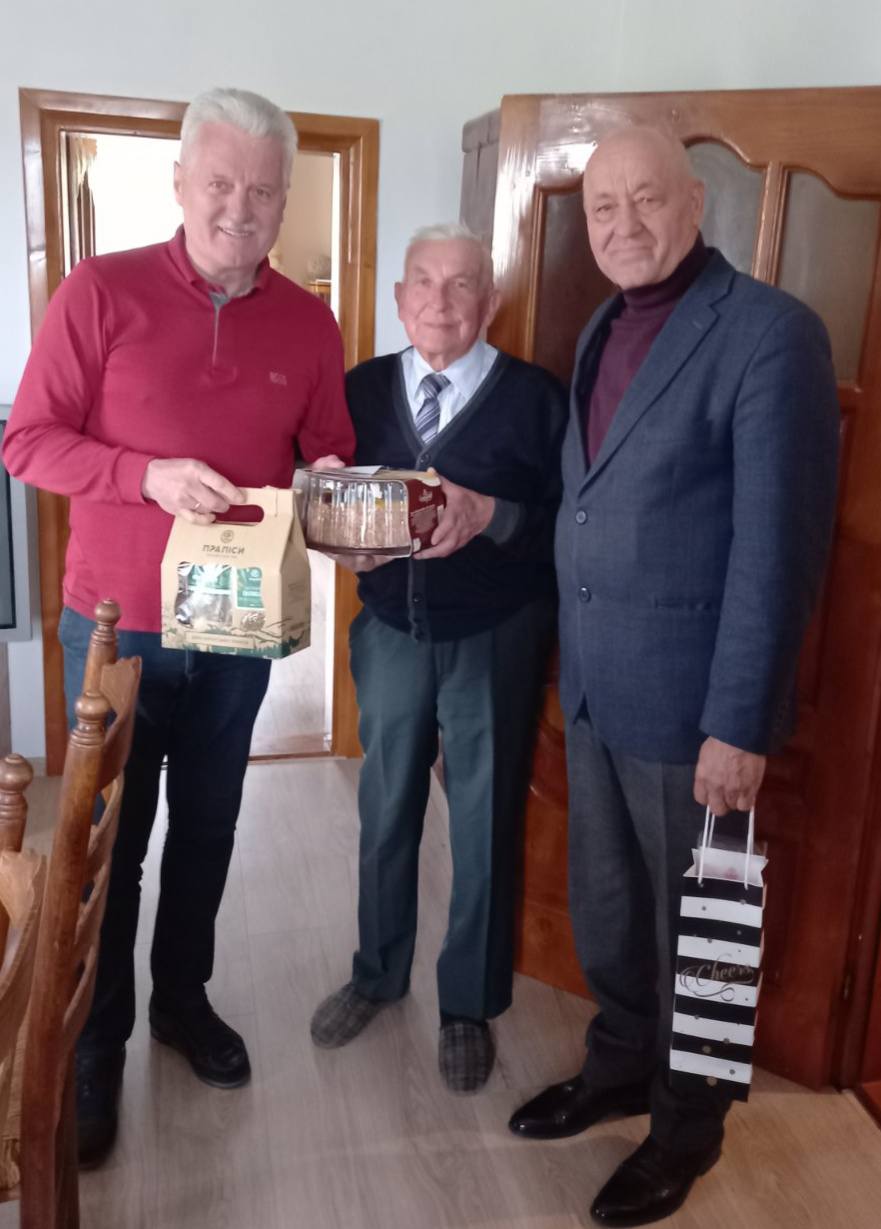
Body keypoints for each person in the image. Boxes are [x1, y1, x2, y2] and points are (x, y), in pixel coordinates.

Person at [3, 86, 354, 1167]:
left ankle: (182, 1001)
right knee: (107, 846)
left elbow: (326, 449)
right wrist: (142, 474)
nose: (239, 207)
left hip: (236, 629)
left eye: (262, 190)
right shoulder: (99, 291)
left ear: (284, 197)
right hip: (115, 636)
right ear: (180, 183)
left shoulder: (308, 321)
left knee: (209, 826)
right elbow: (26, 441)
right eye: (219, 183)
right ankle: (94, 1042)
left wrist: (345, 497)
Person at [507, 127, 840, 1225]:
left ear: (696, 202)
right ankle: (617, 1065)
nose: (622, 225)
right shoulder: (602, 325)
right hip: (596, 691)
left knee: (706, 927)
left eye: (645, 200)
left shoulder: (770, 334)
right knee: (608, 912)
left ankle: (688, 1125)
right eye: (602, 208)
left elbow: (776, 550)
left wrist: (739, 724)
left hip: (699, 711)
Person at [309, 223, 567, 1092]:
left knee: (485, 820)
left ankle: (468, 1004)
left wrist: (489, 513)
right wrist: (340, 538)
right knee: (384, 807)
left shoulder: (535, 399)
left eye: (461, 285)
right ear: (398, 298)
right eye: (423, 281)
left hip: (494, 636)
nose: (440, 302)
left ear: (489, 302)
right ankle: (377, 973)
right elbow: (326, 497)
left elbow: (569, 525)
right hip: (389, 630)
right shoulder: (358, 389)